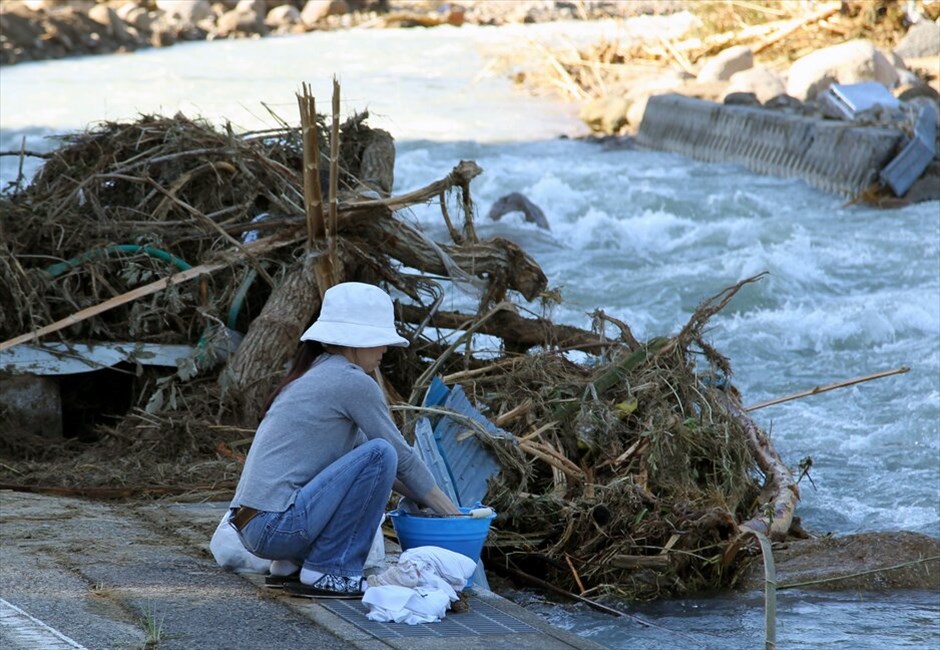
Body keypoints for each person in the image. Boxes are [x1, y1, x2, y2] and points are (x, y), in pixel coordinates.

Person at [228, 281, 460, 599]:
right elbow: (395, 456)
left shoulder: (318, 372)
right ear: (355, 339)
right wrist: (453, 514)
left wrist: (424, 501)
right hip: (276, 527)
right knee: (381, 451)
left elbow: (379, 471)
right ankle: (330, 568)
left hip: (253, 527)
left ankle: (292, 563)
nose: (385, 349)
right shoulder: (351, 382)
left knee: (377, 454)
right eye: (380, 339)